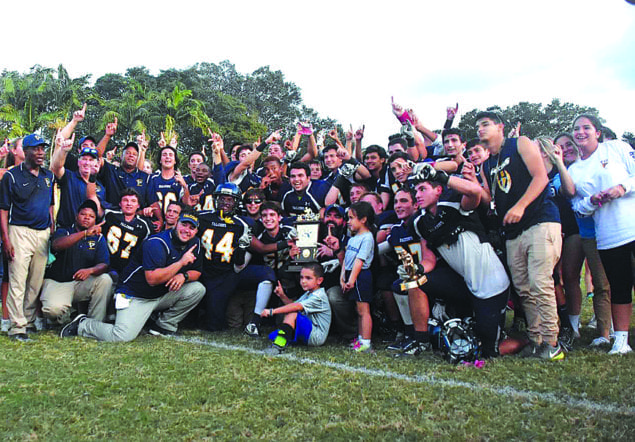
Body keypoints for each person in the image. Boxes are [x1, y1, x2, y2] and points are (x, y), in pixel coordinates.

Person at [478, 111, 563, 360]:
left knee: (540, 283)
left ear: (500, 127)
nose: (480, 129)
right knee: (524, 288)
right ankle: (536, 340)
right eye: (478, 126)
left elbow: (541, 177)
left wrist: (521, 206)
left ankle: (552, 342)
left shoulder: (520, 143)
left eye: (485, 124)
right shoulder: (487, 163)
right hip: (513, 230)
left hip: (539, 220)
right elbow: (491, 196)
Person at [409, 165, 511, 358]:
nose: (418, 194)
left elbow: (475, 191)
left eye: (423, 189)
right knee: (416, 283)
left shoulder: (454, 204)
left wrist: (440, 176)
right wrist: (416, 269)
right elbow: (429, 258)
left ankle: (526, 342)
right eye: (416, 191)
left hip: (490, 285)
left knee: (488, 351)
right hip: (463, 284)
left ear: (438, 190)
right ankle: (420, 341)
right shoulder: (420, 223)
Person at [60, 212, 205, 342]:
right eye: (184, 224)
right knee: (121, 336)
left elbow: (197, 272)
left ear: (196, 231)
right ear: (176, 224)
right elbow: (152, 279)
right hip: (135, 295)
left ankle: (164, 325)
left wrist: (184, 276)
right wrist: (180, 263)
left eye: (192, 228)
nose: (187, 230)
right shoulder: (157, 242)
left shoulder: (194, 243)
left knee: (197, 289)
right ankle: (83, 324)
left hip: (161, 294)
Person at [567, 114, 635, 355]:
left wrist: (622, 188)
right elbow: (578, 207)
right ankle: (621, 341)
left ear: (597, 131)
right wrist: (592, 201)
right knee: (619, 287)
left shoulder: (617, 148)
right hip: (607, 235)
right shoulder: (574, 170)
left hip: (632, 226)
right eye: (576, 129)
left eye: (586, 127)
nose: (580, 132)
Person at [554, 133, 611, 345]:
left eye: (569, 144)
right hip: (570, 230)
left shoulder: (589, 165)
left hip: (593, 228)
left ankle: (608, 328)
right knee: (569, 276)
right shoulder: (556, 170)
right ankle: (574, 324)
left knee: (601, 280)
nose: (566, 149)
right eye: (559, 147)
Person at [0, 133, 55, 341]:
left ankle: (29, 320)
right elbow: (3, 209)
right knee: (17, 279)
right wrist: (6, 239)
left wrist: (52, 225)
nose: (40, 153)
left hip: (42, 233)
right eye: (36, 149)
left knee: (35, 281)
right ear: (26, 151)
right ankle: (17, 326)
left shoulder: (48, 176)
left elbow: (50, 203)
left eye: (43, 148)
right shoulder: (11, 176)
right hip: (19, 231)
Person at [40, 200, 113, 324]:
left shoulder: (98, 238)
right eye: (83, 214)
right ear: (76, 216)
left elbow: (104, 264)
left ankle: (93, 323)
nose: (87, 218)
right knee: (52, 310)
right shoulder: (64, 231)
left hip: (80, 283)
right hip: (59, 282)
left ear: (95, 220)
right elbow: (57, 245)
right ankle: (62, 315)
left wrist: (90, 270)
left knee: (105, 280)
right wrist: (84, 234)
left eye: (91, 217)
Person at [261, 262, 332, 354]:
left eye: (308, 278)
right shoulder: (309, 293)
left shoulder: (319, 296)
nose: (303, 281)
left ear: (319, 280)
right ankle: (284, 338)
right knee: (273, 336)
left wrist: (272, 311)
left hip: (316, 336)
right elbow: (293, 305)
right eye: (301, 277)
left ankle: (277, 347)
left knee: (291, 313)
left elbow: (295, 307)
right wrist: (282, 296)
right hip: (308, 330)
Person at [340, 201, 375, 353]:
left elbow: (359, 261)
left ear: (363, 219)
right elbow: (347, 260)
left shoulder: (367, 237)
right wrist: (342, 277)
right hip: (350, 274)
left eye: (351, 218)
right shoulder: (353, 238)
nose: (348, 222)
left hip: (360, 276)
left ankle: (366, 341)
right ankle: (361, 339)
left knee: (363, 310)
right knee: (358, 309)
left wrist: (352, 280)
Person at [102, 188, 152, 276]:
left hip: (126, 269)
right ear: (120, 203)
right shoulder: (109, 215)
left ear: (138, 205)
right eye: (125, 200)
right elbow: (92, 198)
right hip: (104, 264)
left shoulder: (144, 226)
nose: (129, 203)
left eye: (133, 201)